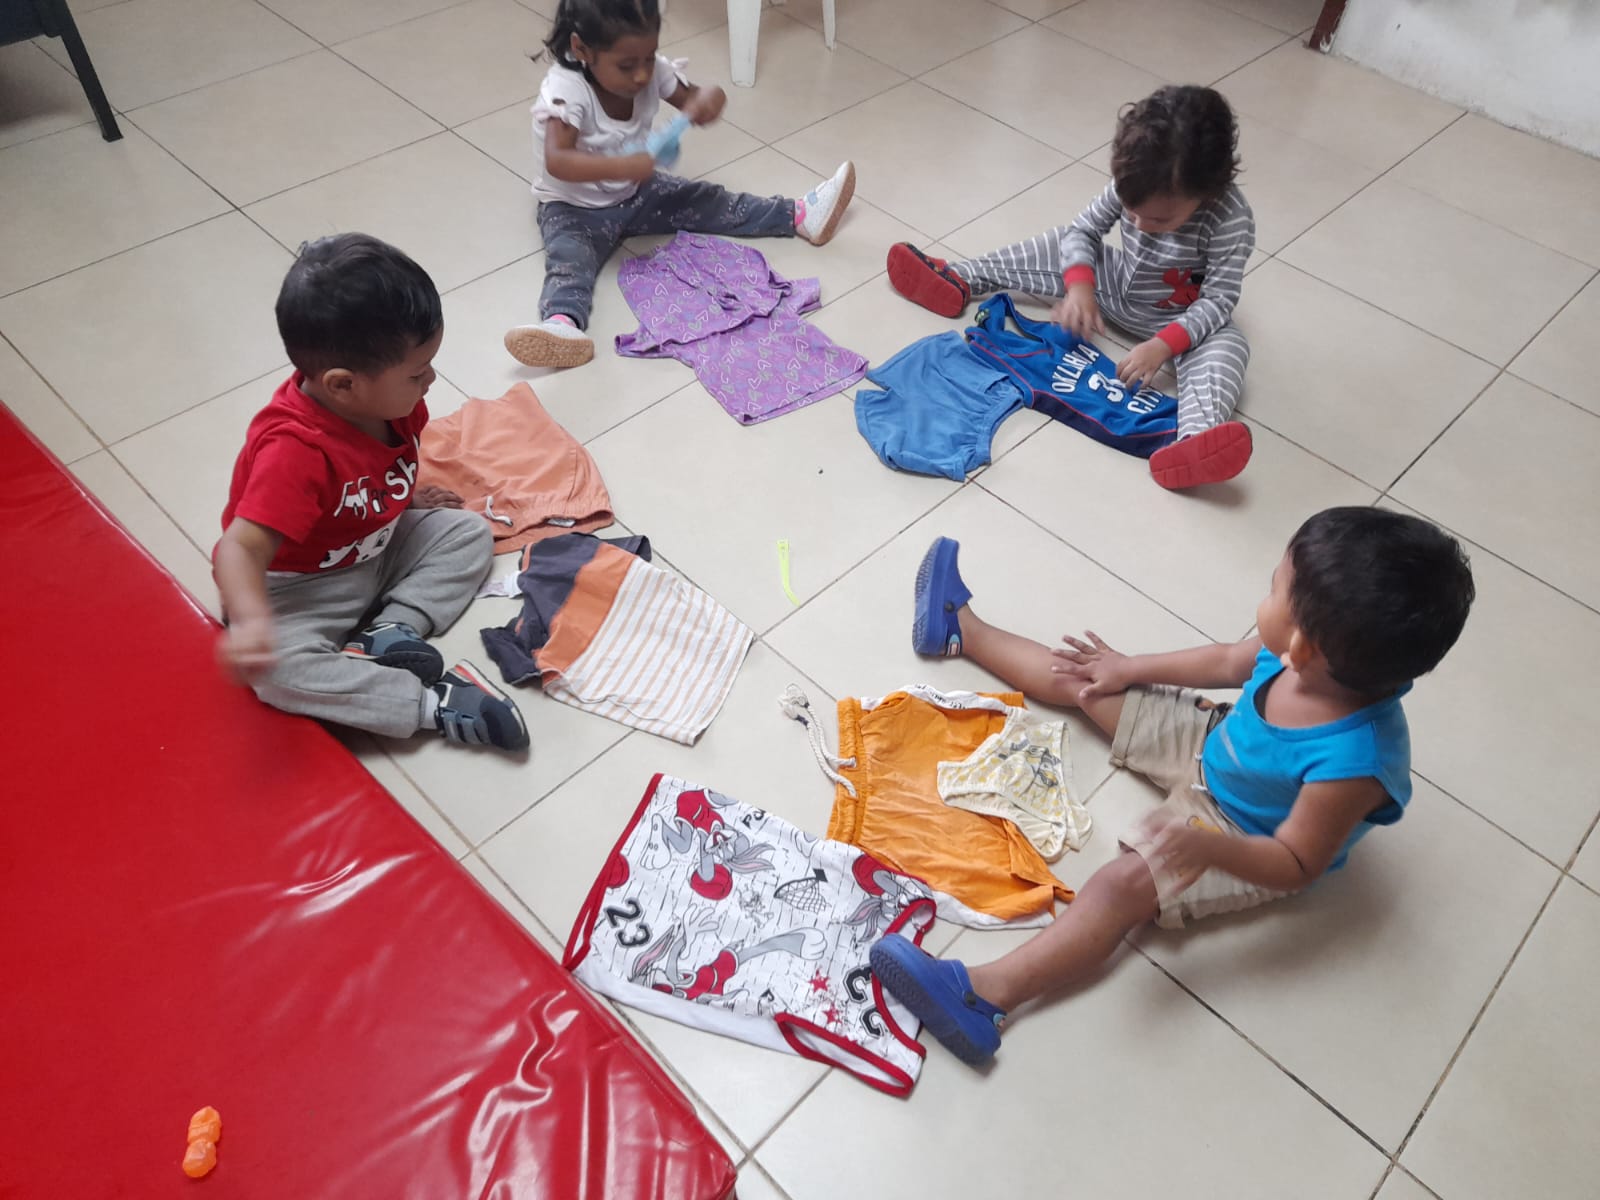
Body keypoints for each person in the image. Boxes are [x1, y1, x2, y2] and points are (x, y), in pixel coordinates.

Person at [872, 507, 1475, 1065]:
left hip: (1241, 834)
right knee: (1087, 683)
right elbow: (1225, 663)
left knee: (1120, 887)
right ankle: (959, 629)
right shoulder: (1301, 654)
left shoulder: (1354, 761)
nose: (1265, 596)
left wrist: (1209, 848)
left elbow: (1297, 863)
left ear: (1304, 645)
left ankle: (984, 996)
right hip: (1213, 743)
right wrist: (1127, 668)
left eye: (1274, 589)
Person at [214, 233, 529, 752]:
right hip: (301, 589)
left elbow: (371, 473)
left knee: (468, 533)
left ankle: (390, 632)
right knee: (277, 674)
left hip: (374, 545)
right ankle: (432, 704)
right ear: (342, 385)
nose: (431, 380)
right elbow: (239, 546)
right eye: (417, 373)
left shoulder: (394, 404)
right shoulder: (294, 451)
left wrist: (406, 498)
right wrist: (250, 622)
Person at [886, 85, 1255, 489]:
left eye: (1159, 221)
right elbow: (1083, 232)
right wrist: (1080, 289)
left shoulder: (1230, 217)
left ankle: (1193, 441)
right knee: (1062, 242)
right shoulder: (1137, 176)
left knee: (1230, 345)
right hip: (1115, 288)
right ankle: (960, 277)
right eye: (1131, 212)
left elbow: (1218, 301)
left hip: (1183, 320)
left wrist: (1163, 345)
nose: (1138, 225)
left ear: (1207, 192)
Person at [503, 0, 856, 369]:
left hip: (637, 192)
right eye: (627, 66)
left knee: (709, 200)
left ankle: (798, 215)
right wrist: (622, 165)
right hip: (573, 207)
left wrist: (708, 102)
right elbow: (558, 160)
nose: (642, 75)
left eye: (649, 57)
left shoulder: (648, 68)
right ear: (582, 49)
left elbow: (697, 97)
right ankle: (562, 324)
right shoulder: (566, 89)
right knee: (570, 261)